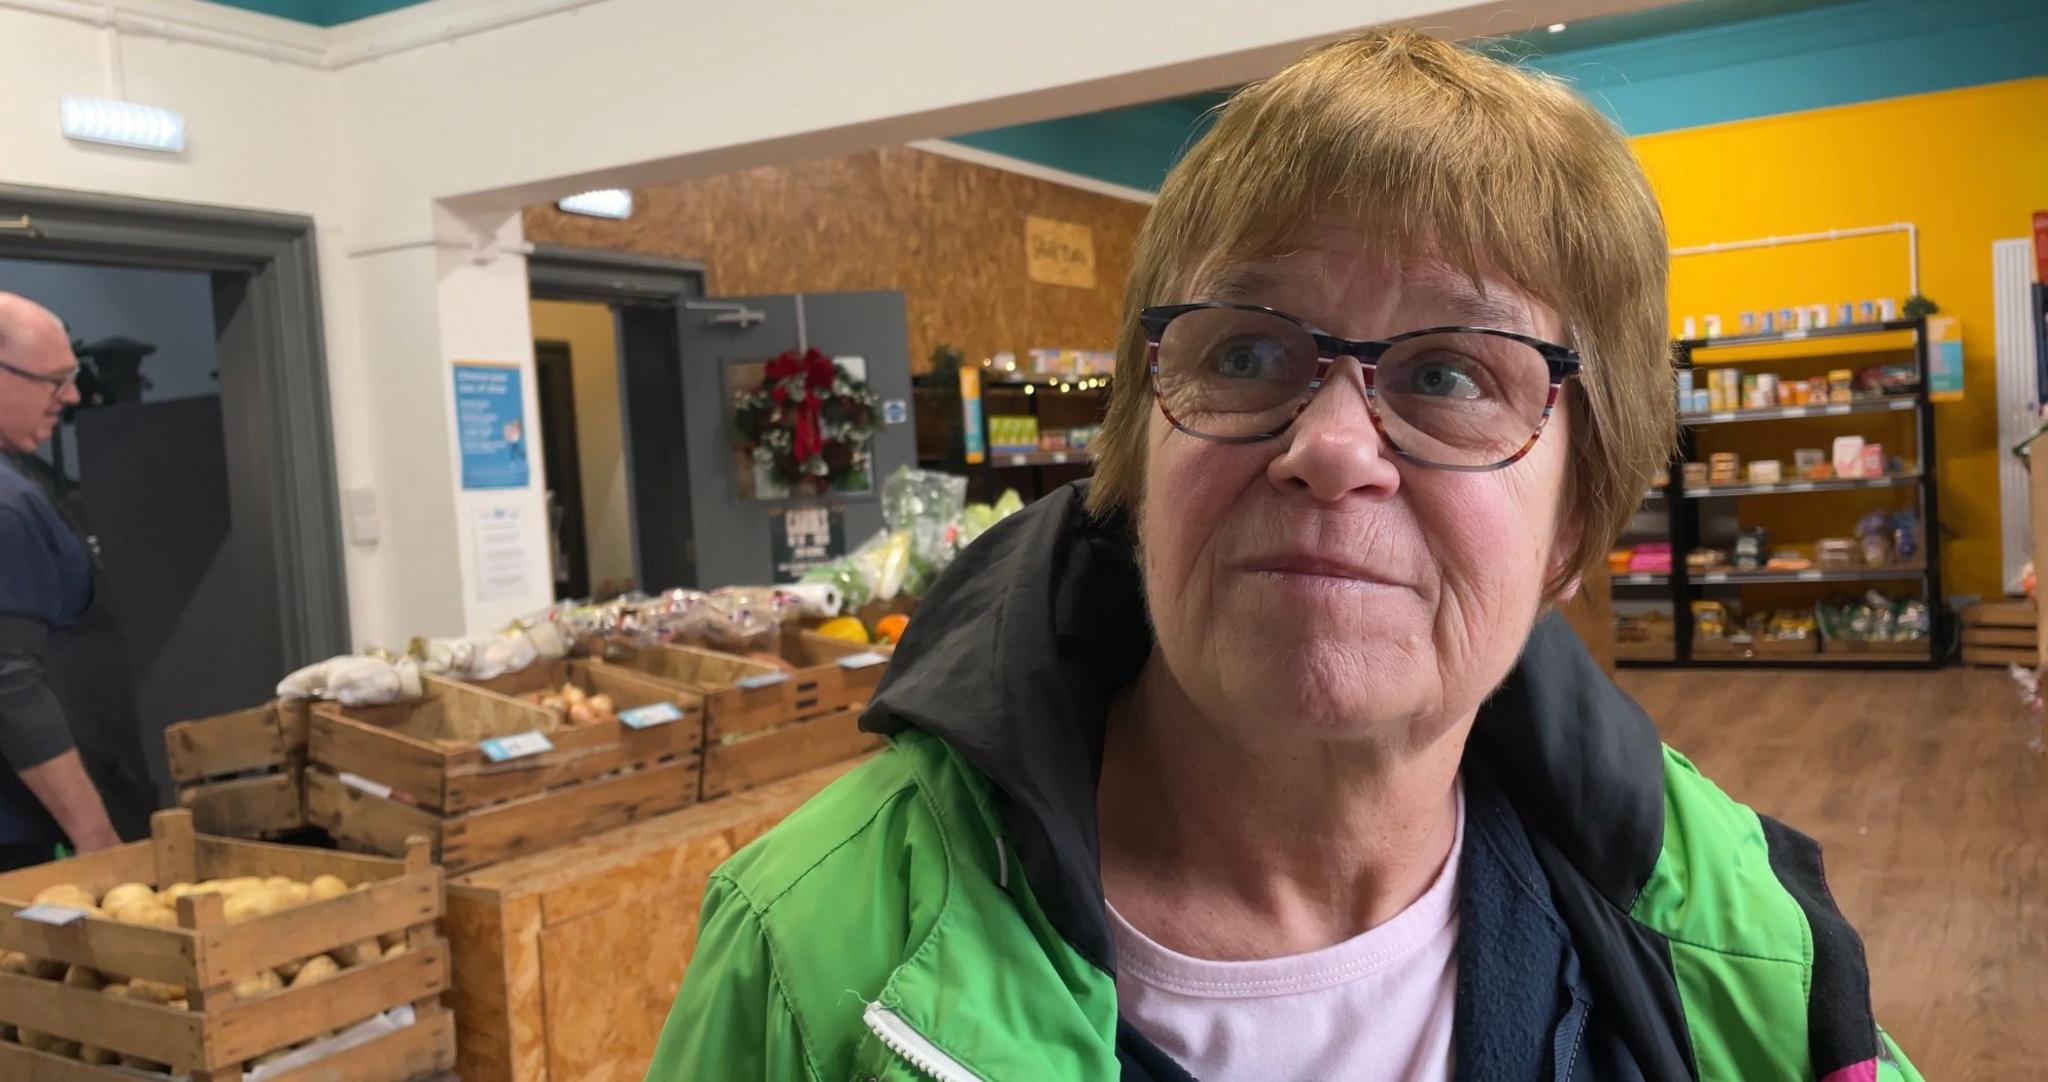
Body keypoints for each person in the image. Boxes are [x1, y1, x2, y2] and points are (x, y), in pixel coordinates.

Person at [649, 30, 1920, 1082]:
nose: (1327, 446)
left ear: (1571, 527)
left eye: (1446, 373)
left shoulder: (1748, 953)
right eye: (1245, 352)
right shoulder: (809, 953)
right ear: (1139, 450)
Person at [0, 293, 153, 869]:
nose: (73, 396)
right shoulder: (6, 504)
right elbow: (10, 685)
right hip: (20, 842)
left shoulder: (22, 482)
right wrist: (96, 838)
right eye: (55, 380)